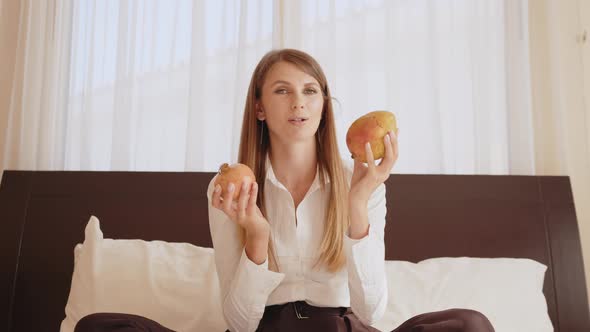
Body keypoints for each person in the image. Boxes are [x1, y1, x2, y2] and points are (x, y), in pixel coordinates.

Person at [74, 49, 495, 332]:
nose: (299, 102)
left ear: (323, 106)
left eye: (311, 91)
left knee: (469, 325)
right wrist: (257, 235)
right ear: (259, 107)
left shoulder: (360, 181)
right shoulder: (228, 189)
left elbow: (371, 311)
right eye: (282, 91)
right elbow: (239, 323)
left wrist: (358, 207)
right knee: (101, 327)